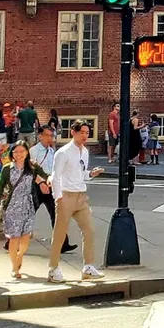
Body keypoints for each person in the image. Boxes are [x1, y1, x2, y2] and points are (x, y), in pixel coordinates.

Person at [47, 121, 106, 283]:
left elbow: (81, 173)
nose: (85, 136)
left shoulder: (84, 152)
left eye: (87, 133)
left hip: (81, 196)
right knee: (60, 234)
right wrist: (58, 197)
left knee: (90, 230)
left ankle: (88, 266)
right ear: (73, 132)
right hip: (66, 196)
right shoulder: (63, 153)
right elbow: (55, 176)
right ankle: (53, 268)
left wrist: (91, 174)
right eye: (82, 132)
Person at [0, 141, 43, 281]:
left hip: (28, 205)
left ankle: (19, 256)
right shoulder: (7, 169)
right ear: (12, 154)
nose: (19, 154)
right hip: (12, 206)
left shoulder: (32, 167)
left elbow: (45, 175)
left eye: (22, 151)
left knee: (26, 238)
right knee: (14, 238)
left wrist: (46, 182)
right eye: (16, 152)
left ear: (27, 153)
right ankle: (15, 268)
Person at [28, 127, 75, 254]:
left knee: (57, 215)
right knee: (29, 213)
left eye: (51, 136)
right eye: (47, 135)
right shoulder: (33, 151)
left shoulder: (52, 151)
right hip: (37, 186)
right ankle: (11, 242)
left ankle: (63, 243)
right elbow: (31, 170)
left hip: (50, 185)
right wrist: (41, 182)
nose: (50, 138)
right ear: (40, 136)